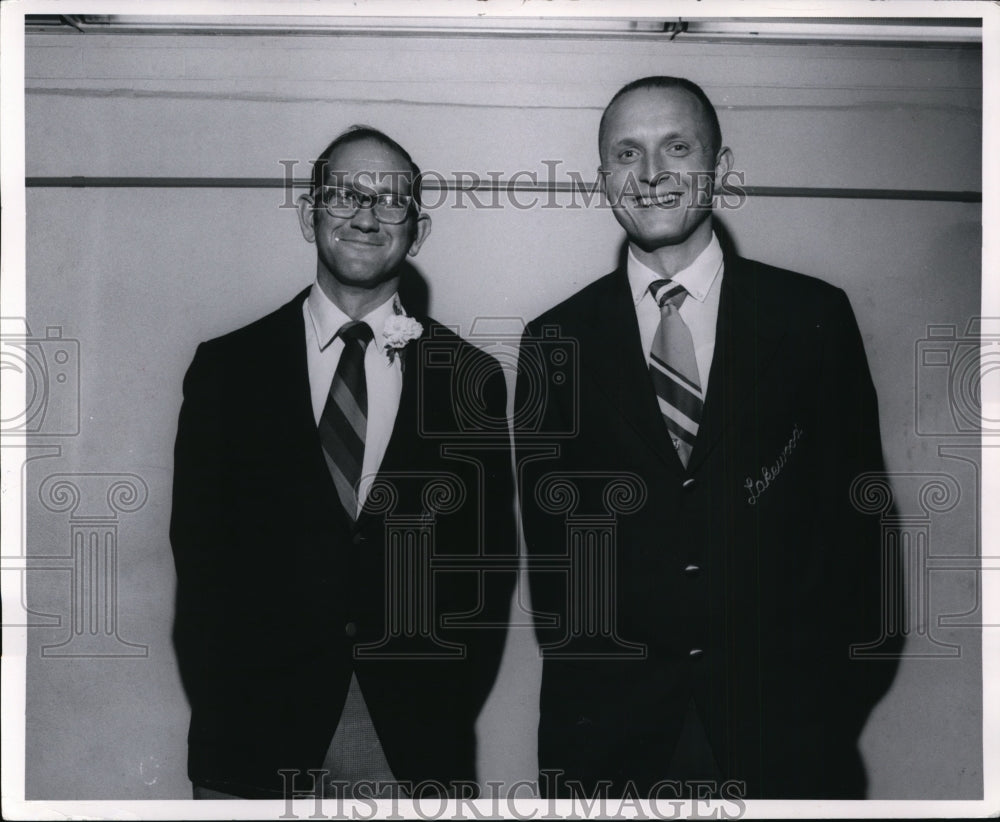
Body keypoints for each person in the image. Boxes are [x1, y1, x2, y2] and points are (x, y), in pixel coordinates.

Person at [515, 77, 901, 799]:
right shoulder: (554, 341)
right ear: (603, 180)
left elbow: (862, 531)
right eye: (627, 152)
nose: (652, 173)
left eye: (676, 147)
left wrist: (829, 706)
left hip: (785, 736)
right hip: (611, 744)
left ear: (720, 167)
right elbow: (557, 564)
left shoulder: (812, 318)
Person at [170, 126, 515, 799]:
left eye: (391, 202)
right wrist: (224, 709)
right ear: (309, 215)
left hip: (408, 742)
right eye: (346, 195)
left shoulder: (468, 379)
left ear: (419, 231)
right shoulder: (227, 371)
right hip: (251, 735)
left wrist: (439, 707)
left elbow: (488, 572)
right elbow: (199, 561)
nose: (365, 215)